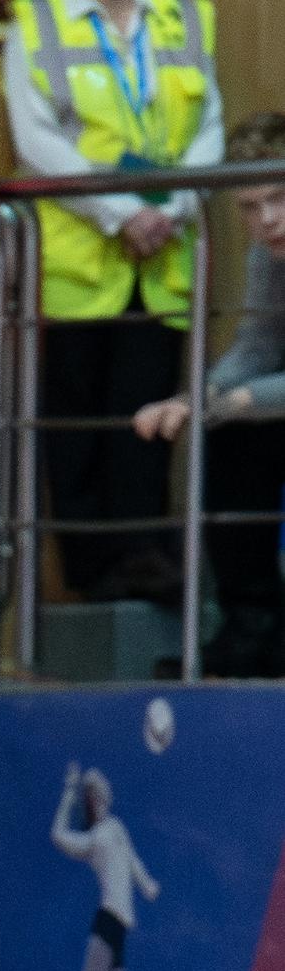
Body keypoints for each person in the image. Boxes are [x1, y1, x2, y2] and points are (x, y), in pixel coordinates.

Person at [4, 0, 223, 605]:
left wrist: (175, 208)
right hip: (80, 258)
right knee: (76, 430)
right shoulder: (37, 19)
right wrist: (122, 211)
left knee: (149, 422)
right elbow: (36, 139)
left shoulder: (183, 16)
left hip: (165, 254)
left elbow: (210, 128)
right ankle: (91, 581)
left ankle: (145, 563)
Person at [133, 112, 285, 676]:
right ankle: (254, 623)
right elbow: (257, 348)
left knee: (240, 414)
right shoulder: (269, 252)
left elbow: (256, 385)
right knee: (231, 435)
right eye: (249, 207)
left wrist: (241, 401)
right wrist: (193, 399)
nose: (266, 220)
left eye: (279, 198)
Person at [51, 762, 158, 971]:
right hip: (107, 922)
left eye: (100, 792)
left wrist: (146, 884)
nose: (99, 798)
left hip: (120, 927)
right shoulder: (93, 840)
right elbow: (58, 836)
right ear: (91, 800)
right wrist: (69, 792)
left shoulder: (116, 826)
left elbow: (131, 858)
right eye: (93, 794)